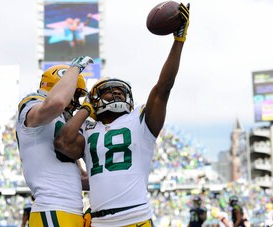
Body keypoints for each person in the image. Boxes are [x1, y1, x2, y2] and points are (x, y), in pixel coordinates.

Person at [54, 3, 190, 227]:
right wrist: (86, 109)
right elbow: (62, 142)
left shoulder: (139, 121)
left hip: (135, 218)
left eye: (120, 91)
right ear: (95, 100)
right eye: (108, 92)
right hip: (99, 222)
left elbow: (163, 87)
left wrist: (178, 42)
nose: (116, 94)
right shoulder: (89, 128)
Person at [16, 56, 93, 227]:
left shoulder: (63, 121)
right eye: (75, 95)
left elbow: (79, 177)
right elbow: (57, 102)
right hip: (52, 209)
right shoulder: (32, 103)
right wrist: (76, 68)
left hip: (70, 210)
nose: (76, 103)